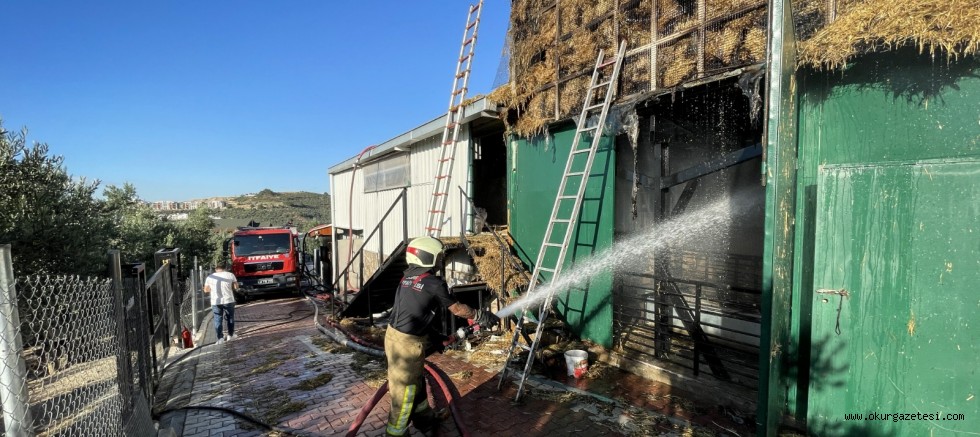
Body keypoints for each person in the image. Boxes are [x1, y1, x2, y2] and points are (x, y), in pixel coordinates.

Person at [385, 236, 500, 437]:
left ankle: (426, 420)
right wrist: (480, 315)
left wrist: (436, 337)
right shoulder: (432, 282)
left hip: (394, 337)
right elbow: (457, 309)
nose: (440, 260)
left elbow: (414, 313)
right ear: (426, 256)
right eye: (438, 256)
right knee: (405, 393)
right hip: (407, 345)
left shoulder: (407, 278)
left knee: (417, 383)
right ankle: (395, 433)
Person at [204, 261, 239, 344]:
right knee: (230, 317)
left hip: (215, 301)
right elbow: (236, 286)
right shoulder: (230, 275)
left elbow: (206, 290)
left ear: (215, 269)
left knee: (217, 319)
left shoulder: (210, 277)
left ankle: (220, 338)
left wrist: (212, 289)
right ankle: (230, 335)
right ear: (225, 268)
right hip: (229, 300)